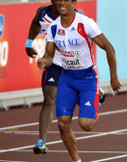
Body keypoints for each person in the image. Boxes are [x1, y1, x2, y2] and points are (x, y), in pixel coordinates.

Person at [37, 0, 121, 161]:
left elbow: (109, 47)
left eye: (66, 0)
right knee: (62, 123)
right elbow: (49, 56)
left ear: (74, 3)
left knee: (86, 124)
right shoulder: (53, 28)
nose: (62, 3)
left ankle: (96, 101)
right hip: (67, 78)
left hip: (87, 78)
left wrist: (114, 77)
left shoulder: (85, 23)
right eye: (59, 0)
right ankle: (77, 160)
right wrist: (43, 61)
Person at [25, 0, 105, 154]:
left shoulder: (76, 17)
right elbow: (36, 23)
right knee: (49, 99)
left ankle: (94, 93)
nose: (61, 3)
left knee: (82, 107)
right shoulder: (43, 13)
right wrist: (29, 43)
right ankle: (41, 141)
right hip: (54, 62)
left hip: (74, 66)